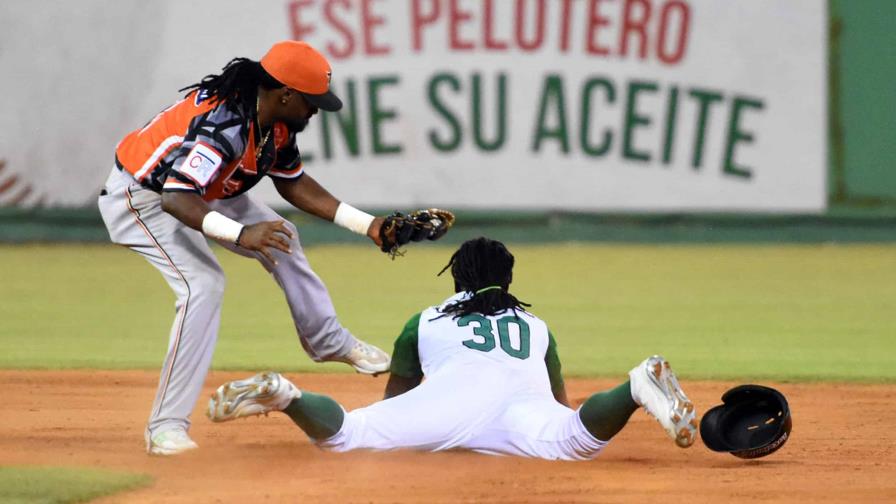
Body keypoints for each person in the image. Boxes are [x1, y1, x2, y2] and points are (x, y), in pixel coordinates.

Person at [98, 41, 403, 456]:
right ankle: (165, 427)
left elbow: (292, 181)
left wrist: (368, 225)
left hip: (207, 189)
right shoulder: (224, 125)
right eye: (311, 102)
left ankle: (329, 342)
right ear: (286, 94)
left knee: (281, 237)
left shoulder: (274, 121)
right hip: (143, 196)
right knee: (202, 285)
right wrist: (243, 236)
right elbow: (176, 198)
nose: (315, 111)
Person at [206, 237, 698, 460]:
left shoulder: (423, 321)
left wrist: (412, 428)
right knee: (574, 437)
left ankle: (286, 394)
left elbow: (396, 404)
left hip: (447, 406)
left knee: (350, 435)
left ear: (456, 277)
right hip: (522, 413)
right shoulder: (537, 324)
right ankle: (636, 385)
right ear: (507, 279)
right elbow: (560, 406)